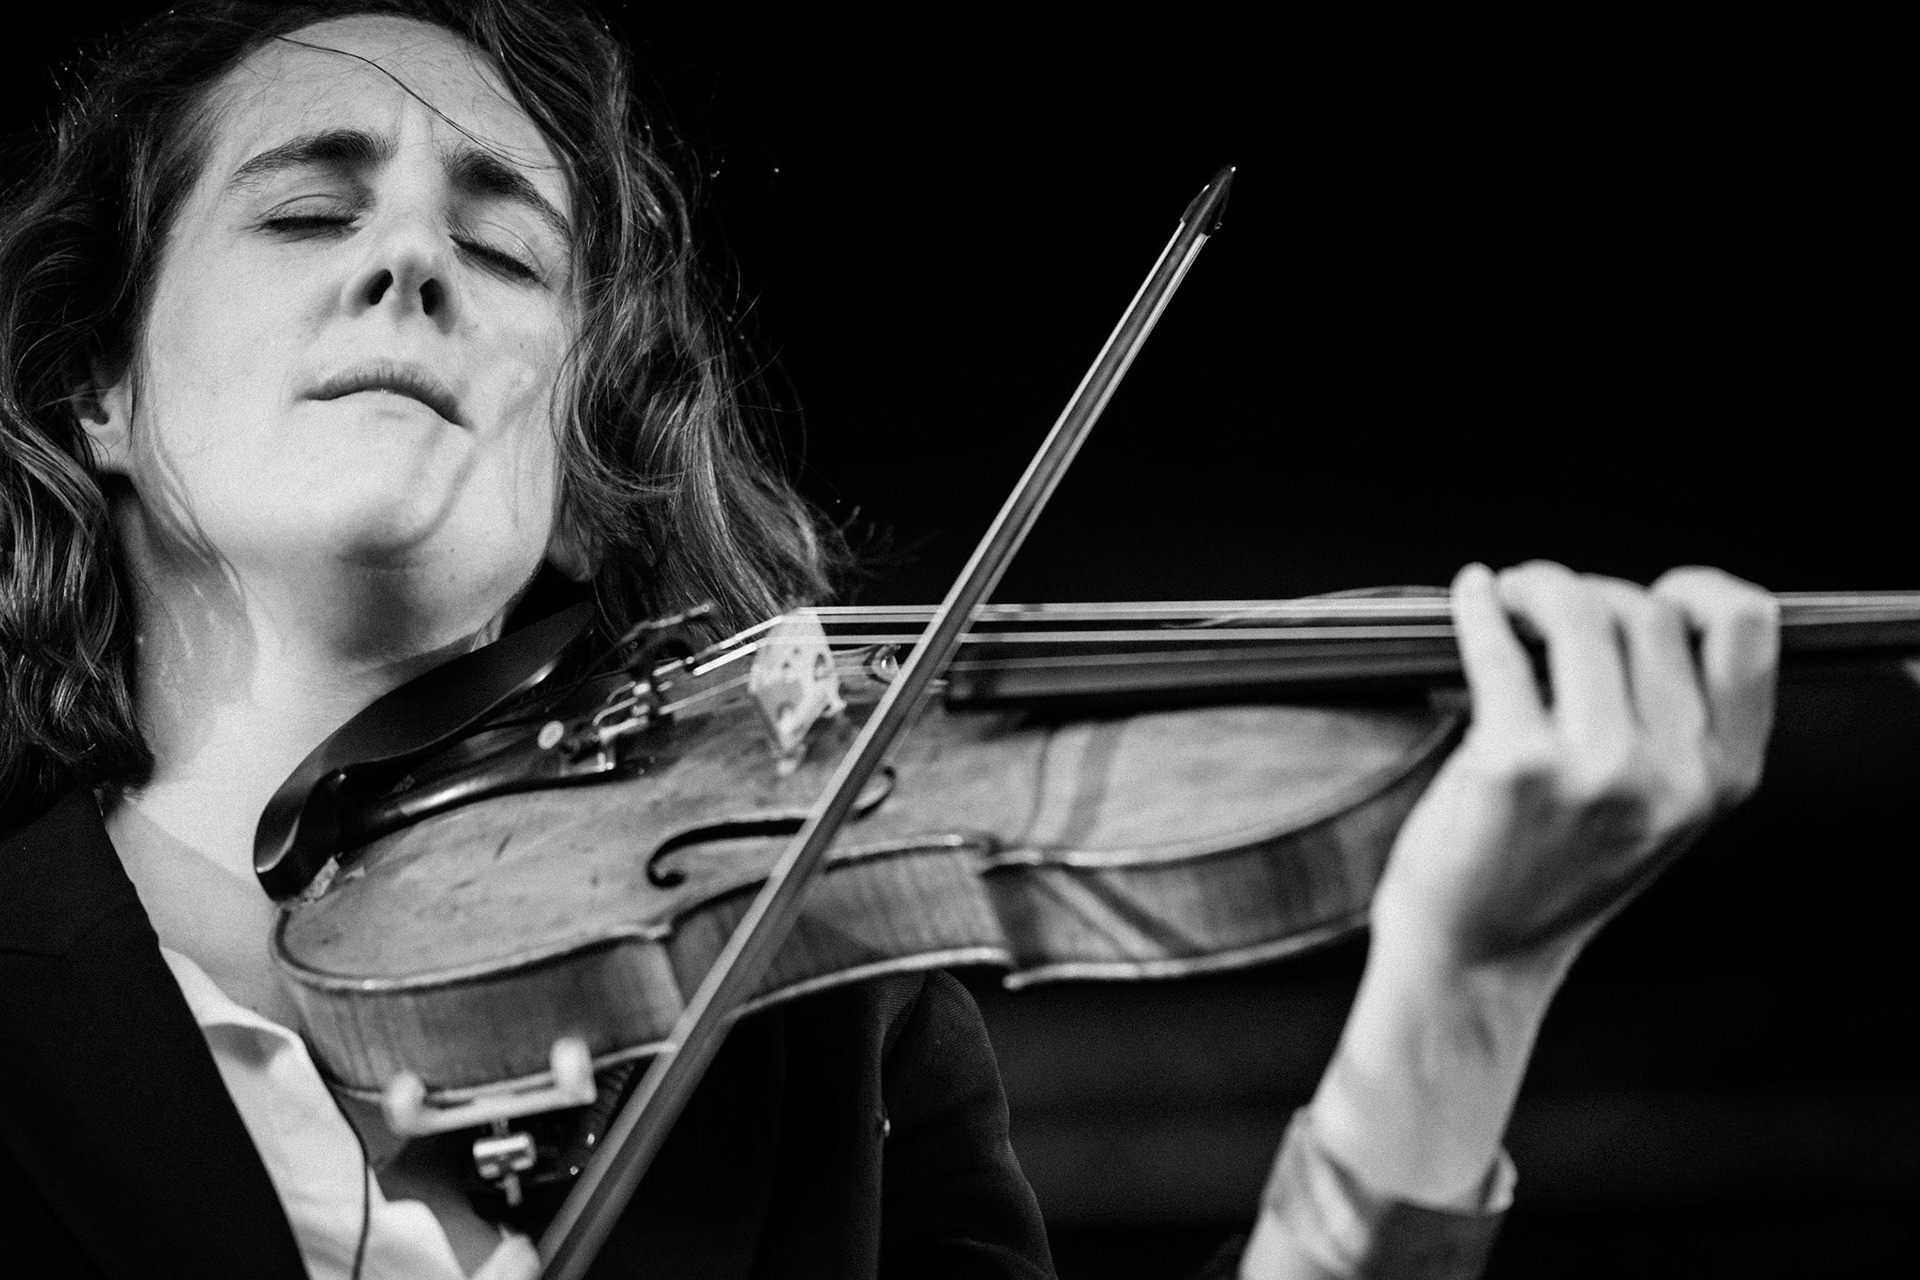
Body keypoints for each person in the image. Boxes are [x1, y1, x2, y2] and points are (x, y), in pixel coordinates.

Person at [0, 1, 1780, 1277]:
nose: (412, 266)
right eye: (309, 210)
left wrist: (1460, 1000)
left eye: (509, 249)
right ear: (96, 382)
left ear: (582, 435)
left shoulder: (815, 1014)